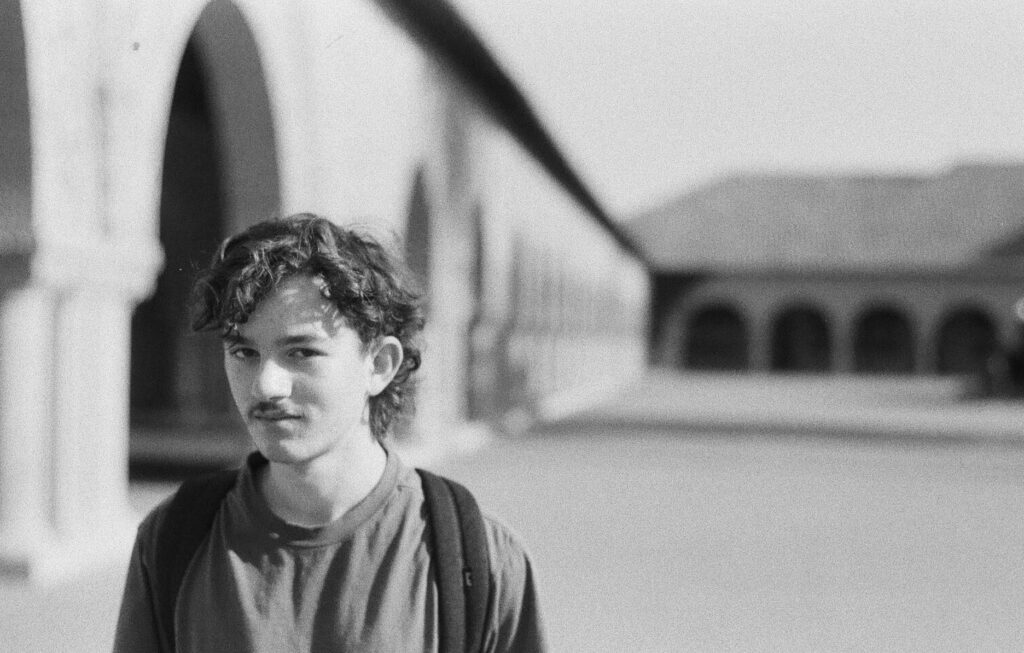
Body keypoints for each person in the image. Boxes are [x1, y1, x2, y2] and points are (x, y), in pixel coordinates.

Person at [113, 213, 546, 652]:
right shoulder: (174, 540)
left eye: (302, 352)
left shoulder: (477, 560)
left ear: (379, 365)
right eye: (243, 351)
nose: (266, 385)